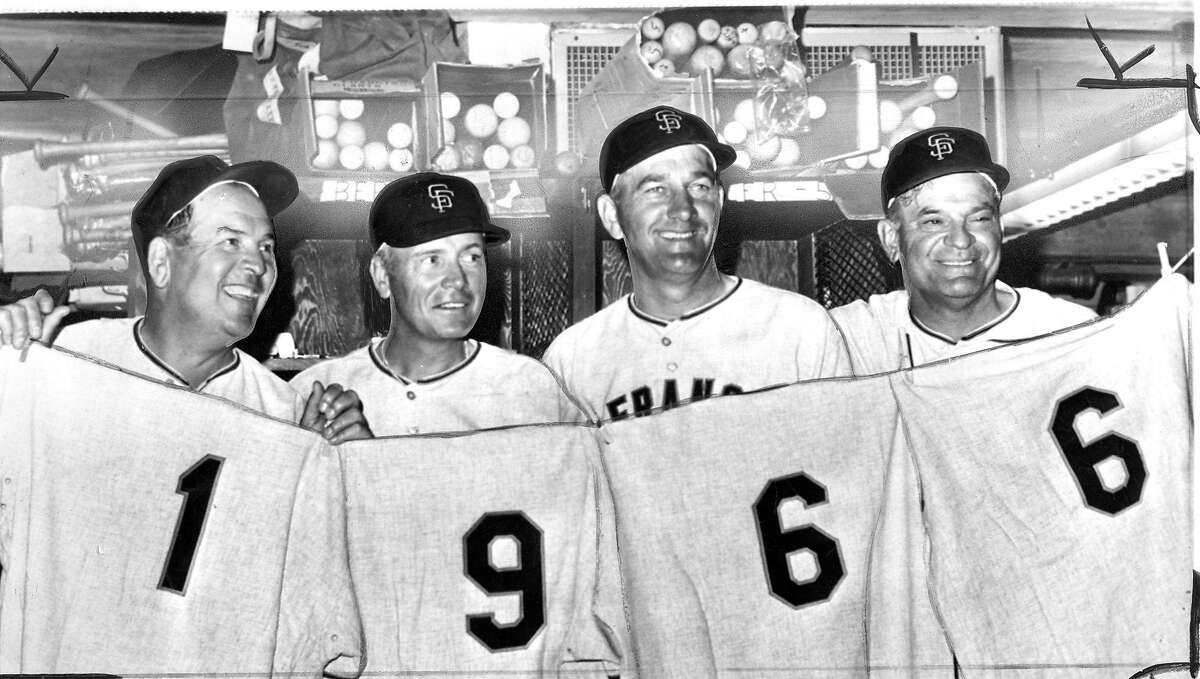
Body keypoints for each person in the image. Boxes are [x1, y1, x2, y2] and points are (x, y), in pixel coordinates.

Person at [0, 155, 370, 443]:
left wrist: (331, 463)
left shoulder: (286, 415)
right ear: (162, 262)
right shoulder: (59, 357)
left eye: (266, 246)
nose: (258, 263)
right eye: (230, 241)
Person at [542, 105, 851, 422]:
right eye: (656, 189)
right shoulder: (572, 362)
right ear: (612, 216)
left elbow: (845, 464)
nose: (683, 209)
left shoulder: (800, 331)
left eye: (699, 187)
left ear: (718, 202)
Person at [290, 171, 585, 435]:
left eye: (471, 256)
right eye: (432, 259)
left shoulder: (533, 389)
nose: (457, 279)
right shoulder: (312, 398)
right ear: (382, 274)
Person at [831, 126, 1097, 374]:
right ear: (891, 239)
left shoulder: (1071, 335)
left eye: (979, 218)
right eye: (934, 221)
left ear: (1000, 228)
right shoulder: (849, 340)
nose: (960, 240)